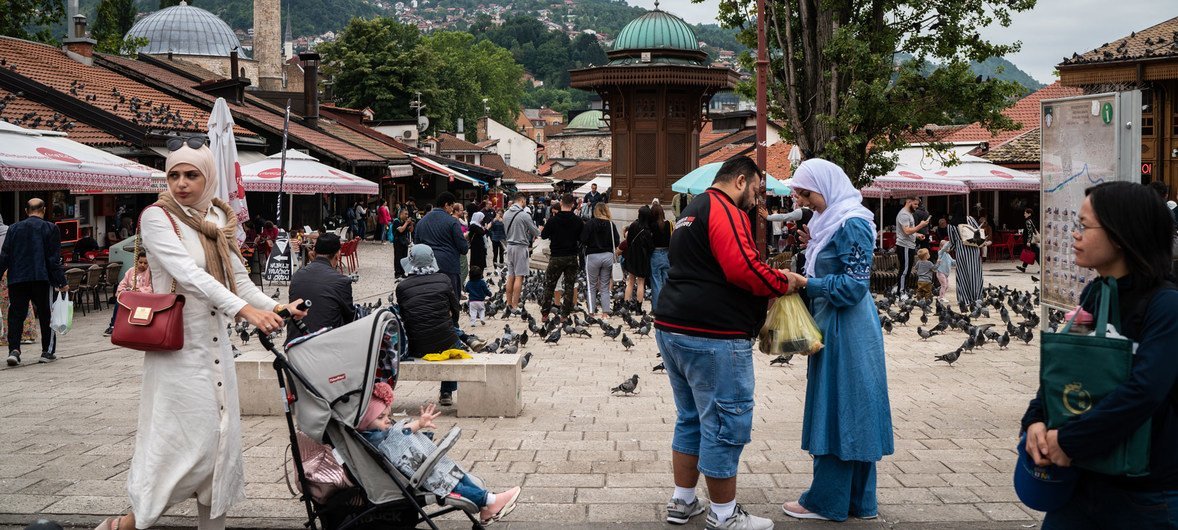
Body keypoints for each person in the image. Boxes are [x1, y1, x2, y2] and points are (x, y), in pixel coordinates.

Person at [96, 141, 306, 530]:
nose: (181, 184)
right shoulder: (158, 218)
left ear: (208, 177)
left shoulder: (217, 219)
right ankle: (126, 525)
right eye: (174, 175)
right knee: (180, 448)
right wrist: (245, 312)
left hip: (217, 351)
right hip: (177, 352)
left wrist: (277, 307)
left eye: (191, 175)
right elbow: (190, 276)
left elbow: (239, 279)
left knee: (220, 448)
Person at [1020, 181, 1178, 528]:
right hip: (1081, 482)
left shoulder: (1166, 305)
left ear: (1120, 235)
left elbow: (1144, 392)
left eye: (1085, 226)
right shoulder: (1095, 294)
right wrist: (1035, 419)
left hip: (1145, 496)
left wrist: (1070, 440)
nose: (1074, 235)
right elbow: (1067, 369)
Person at [654, 156, 795, 530]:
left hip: (672, 326)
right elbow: (742, 268)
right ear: (741, 180)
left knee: (691, 419)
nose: (757, 198)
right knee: (723, 423)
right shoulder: (725, 210)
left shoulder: (691, 211)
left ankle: (683, 501)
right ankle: (723, 514)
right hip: (710, 334)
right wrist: (783, 281)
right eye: (757, 189)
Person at [778, 158, 893, 522]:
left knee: (838, 408)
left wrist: (805, 282)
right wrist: (816, 246)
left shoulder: (852, 223)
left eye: (808, 193)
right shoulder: (833, 223)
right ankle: (858, 500)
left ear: (826, 188)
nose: (803, 200)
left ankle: (827, 501)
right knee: (855, 407)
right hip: (842, 325)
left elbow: (854, 286)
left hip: (846, 328)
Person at [357, 381, 522, 523]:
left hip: (422, 469)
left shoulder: (377, 433)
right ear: (365, 422)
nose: (387, 420)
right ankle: (490, 500)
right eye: (380, 417)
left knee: (457, 474)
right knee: (450, 484)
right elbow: (400, 433)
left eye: (388, 415)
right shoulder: (374, 438)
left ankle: (487, 507)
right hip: (417, 478)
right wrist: (419, 424)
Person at [0, 199, 68, 366]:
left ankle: (14, 350)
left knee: (16, 314)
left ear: (26, 210)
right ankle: (47, 351)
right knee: (46, 314)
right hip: (41, 278)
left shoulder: (13, 228)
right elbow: (53, 259)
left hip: (17, 278)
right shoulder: (50, 228)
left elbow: (5, 256)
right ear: (44, 210)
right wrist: (61, 281)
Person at [395, 244, 461, 406]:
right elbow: (456, 310)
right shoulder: (444, 280)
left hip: (416, 345)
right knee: (453, 337)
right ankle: (446, 391)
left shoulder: (402, 287)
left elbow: (405, 316)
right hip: (445, 343)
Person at [287, 233, 354, 341]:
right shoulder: (341, 281)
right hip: (326, 345)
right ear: (337, 255)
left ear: (314, 252)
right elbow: (350, 318)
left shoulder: (297, 276)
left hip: (295, 343)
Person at [412, 193, 469, 297]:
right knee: (451, 300)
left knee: (431, 299)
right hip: (449, 266)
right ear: (446, 205)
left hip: (427, 267)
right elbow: (463, 248)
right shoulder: (452, 222)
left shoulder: (421, 222)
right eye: (452, 206)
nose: (452, 210)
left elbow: (417, 246)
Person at [538, 194, 584, 320]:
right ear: (573, 205)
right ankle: (564, 315)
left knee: (550, 284)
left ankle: (545, 313)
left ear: (561, 203)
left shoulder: (553, 220)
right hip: (571, 256)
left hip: (556, 256)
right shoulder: (578, 221)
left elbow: (544, 235)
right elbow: (582, 238)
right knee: (569, 285)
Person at [581, 202, 620, 318]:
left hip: (592, 256)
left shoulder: (590, 224)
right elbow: (616, 241)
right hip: (607, 256)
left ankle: (592, 312)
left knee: (591, 285)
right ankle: (605, 312)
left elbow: (583, 239)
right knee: (605, 285)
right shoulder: (611, 225)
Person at [503, 193, 540, 312]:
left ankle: (508, 304)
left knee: (510, 275)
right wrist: (539, 230)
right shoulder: (524, 215)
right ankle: (514, 305)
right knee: (519, 277)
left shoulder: (506, 213)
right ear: (522, 201)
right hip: (520, 246)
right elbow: (535, 232)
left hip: (509, 246)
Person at [103, 253, 152, 337]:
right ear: (136, 262)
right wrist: (123, 292)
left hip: (143, 298)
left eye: (145, 263)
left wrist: (140, 290)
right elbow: (122, 284)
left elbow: (152, 287)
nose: (142, 265)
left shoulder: (151, 273)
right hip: (130, 296)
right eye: (140, 262)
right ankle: (113, 325)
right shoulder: (130, 271)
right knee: (119, 303)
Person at [621, 206, 655, 312]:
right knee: (641, 282)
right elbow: (650, 246)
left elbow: (629, 240)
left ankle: (626, 305)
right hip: (643, 257)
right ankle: (638, 308)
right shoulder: (648, 229)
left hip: (632, 255)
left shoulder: (633, 225)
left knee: (630, 281)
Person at [948, 212, 984, 305]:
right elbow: (978, 231)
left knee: (962, 274)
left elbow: (952, 242)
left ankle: (965, 299)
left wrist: (950, 249)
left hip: (961, 251)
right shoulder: (970, 219)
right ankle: (977, 297)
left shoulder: (951, 225)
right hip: (974, 249)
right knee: (975, 273)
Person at [894, 195, 927, 297]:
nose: (917, 206)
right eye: (915, 204)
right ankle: (901, 292)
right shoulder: (904, 214)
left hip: (909, 245)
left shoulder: (909, 213)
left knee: (907, 270)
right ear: (908, 202)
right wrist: (920, 226)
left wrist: (917, 235)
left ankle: (902, 289)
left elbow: (909, 231)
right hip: (905, 245)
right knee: (905, 270)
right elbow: (907, 231)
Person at [648, 203, 673, 312]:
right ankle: (667, 305)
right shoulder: (669, 224)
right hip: (667, 253)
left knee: (656, 281)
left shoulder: (651, 225)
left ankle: (657, 307)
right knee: (666, 281)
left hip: (655, 253)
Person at [390, 209, 414, 278]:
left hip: (404, 241)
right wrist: (406, 223)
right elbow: (401, 230)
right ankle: (397, 273)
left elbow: (411, 230)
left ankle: (403, 272)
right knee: (398, 257)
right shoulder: (396, 221)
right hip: (398, 241)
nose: (407, 215)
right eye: (405, 214)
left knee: (404, 257)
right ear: (401, 214)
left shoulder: (405, 221)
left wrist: (411, 223)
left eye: (407, 214)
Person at [1017, 207, 1039, 273]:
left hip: (1030, 241)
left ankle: (1044, 269)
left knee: (1036, 254)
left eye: (1025, 213)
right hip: (1031, 240)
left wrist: (1028, 241)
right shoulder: (1031, 220)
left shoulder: (1028, 221)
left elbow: (1030, 232)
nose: (1024, 214)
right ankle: (1023, 267)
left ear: (1029, 214)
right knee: (1029, 252)